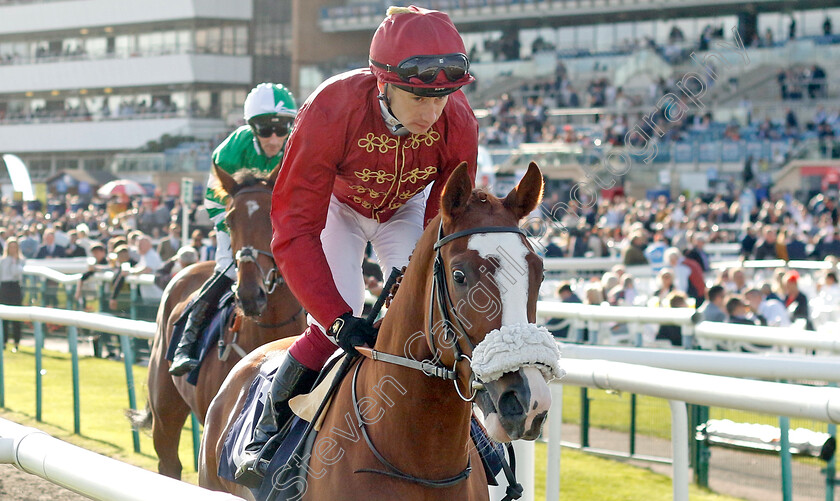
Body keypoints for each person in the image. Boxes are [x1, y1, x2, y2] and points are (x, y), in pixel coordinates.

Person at [236, 5, 478, 485]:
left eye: (445, 97)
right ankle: (267, 434)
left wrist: (415, 283)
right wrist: (337, 315)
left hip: (409, 208)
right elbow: (292, 228)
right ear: (383, 82)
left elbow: (448, 215)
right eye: (421, 97)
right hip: (337, 211)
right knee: (334, 323)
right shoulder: (330, 108)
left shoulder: (460, 123)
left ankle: (482, 441)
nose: (434, 112)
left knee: (432, 318)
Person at [169, 82, 298, 375]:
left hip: (280, 219)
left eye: (282, 129)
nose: (275, 138)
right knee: (228, 268)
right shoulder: (230, 150)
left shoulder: (296, 146)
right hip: (236, 218)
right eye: (266, 130)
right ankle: (186, 344)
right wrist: (234, 228)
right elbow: (216, 197)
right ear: (252, 127)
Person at [0, 238, 25, 351]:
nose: (13, 249)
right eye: (11, 247)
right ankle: (4, 341)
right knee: (4, 316)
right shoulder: (3, 260)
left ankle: (16, 342)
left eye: (15, 247)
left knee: (16, 316)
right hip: (5, 288)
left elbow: (16, 273)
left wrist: (15, 261)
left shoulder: (21, 260)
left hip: (15, 287)